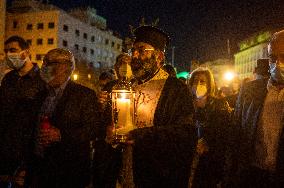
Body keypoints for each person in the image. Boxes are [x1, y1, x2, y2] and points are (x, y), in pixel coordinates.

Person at [100, 25, 197, 188]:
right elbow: (112, 122)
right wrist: (109, 126)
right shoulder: (126, 86)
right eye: (133, 51)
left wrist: (140, 136)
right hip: (123, 170)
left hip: (158, 174)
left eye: (142, 50)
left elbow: (185, 134)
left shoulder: (175, 89)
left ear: (159, 57)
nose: (135, 56)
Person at [30, 48, 103, 188]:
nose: (44, 67)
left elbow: (94, 129)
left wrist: (61, 135)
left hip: (69, 172)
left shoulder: (84, 95)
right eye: (44, 62)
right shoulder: (40, 94)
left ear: (66, 67)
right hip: (39, 170)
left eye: (49, 63)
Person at [226, 30, 284, 188]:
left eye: (283, 56)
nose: (277, 63)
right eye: (273, 57)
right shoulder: (249, 91)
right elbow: (235, 134)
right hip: (251, 176)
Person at [0, 36, 46, 187]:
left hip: (28, 153)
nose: (8, 55)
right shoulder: (8, 79)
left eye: (13, 50)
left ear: (25, 52)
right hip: (6, 149)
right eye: (6, 51)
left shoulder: (42, 80)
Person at [187, 67, 232, 188]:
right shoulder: (185, 104)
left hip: (209, 163)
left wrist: (208, 142)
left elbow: (224, 133)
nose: (198, 85)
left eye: (202, 81)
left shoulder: (219, 105)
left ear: (209, 84)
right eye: (195, 81)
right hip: (188, 160)